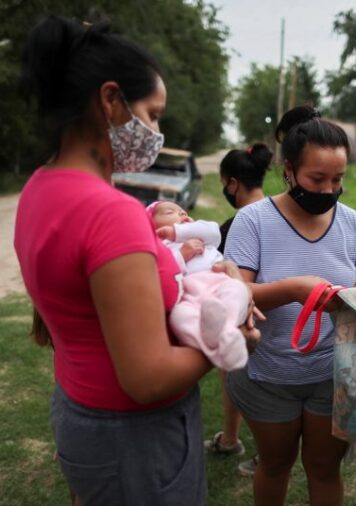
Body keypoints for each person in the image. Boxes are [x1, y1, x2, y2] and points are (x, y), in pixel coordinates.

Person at [14, 16, 258, 505]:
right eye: (152, 113)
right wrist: (229, 334)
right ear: (110, 100)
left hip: (83, 417)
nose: (156, 131)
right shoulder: (111, 212)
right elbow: (146, 377)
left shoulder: (39, 189)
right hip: (137, 439)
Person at [225, 105, 356, 505]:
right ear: (289, 170)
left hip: (333, 374)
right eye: (317, 178)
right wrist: (295, 289)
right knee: (274, 465)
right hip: (268, 375)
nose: (328, 190)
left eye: (338, 179)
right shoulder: (253, 221)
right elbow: (234, 294)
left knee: (325, 468)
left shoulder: (354, 225)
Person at [207, 144, 272, 474]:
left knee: (241, 378)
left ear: (232, 183)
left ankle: (263, 450)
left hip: (252, 323)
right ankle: (233, 439)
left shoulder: (235, 225)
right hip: (287, 322)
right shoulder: (282, 216)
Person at [147, 200, 252, 371]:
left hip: (218, 283)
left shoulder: (201, 234)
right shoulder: (159, 248)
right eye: (169, 212)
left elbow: (213, 230)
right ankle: (214, 339)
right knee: (179, 317)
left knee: (237, 289)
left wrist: (176, 231)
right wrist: (181, 255)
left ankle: (226, 329)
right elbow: (162, 273)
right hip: (190, 297)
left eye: (183, 211)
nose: (182, 213)